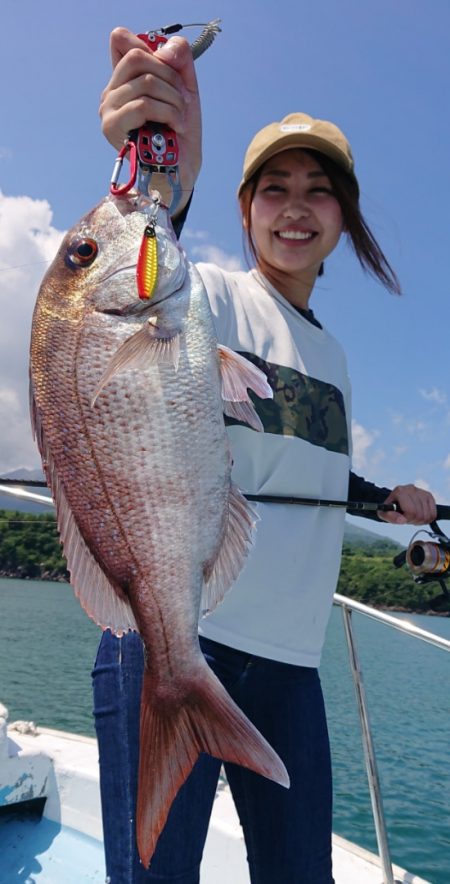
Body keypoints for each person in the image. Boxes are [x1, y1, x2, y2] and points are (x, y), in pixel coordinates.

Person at [92, 28, 437, 884]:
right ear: (242, 209)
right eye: (273, 187)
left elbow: (301, 461)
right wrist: (162, 169)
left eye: (319, 192)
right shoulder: (202, 296)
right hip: (178, 642)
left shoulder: (338, 357)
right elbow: (141, 260)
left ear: (342, 219)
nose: (295, 206)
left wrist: (382, 498)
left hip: (293, 664)